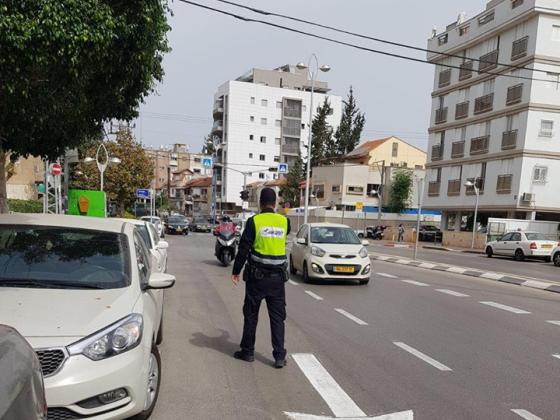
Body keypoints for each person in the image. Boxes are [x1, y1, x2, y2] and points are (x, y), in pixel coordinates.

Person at [231, 188, 290, 368]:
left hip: (257, 279)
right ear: (275, 203)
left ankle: (248, 352)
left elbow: (243, 248)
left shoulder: (254, 221)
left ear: (260, 202)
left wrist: (236, 271)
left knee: (251, 315)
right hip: (278, 280)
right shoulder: (284, 222)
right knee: (277, 318)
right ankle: (279, 356)